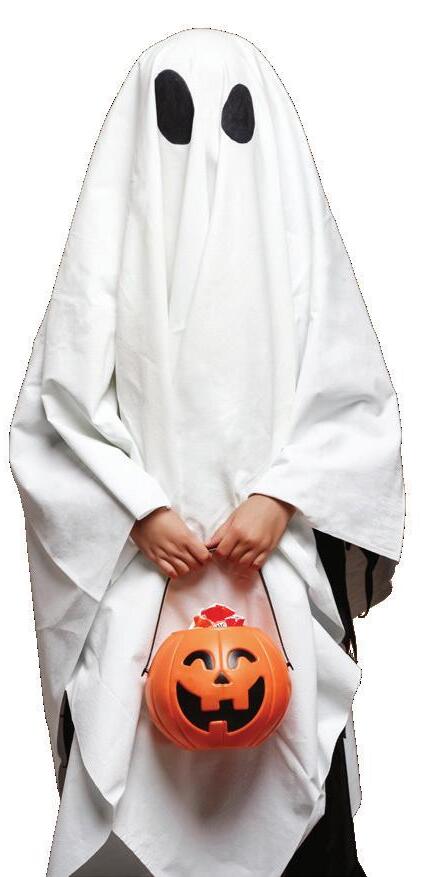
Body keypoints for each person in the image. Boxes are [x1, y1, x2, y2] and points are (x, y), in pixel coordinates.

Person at [9, 28, 404, 877]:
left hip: (277, 575)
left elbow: (354, 400)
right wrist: (138, 508)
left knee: (291, 776)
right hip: (140, 582)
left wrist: (282, 496)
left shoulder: (300, 257)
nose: (209, 162)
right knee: (131, 779)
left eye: (236, 120)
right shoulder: (105, 263)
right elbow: (55, 412)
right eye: (176, 116)